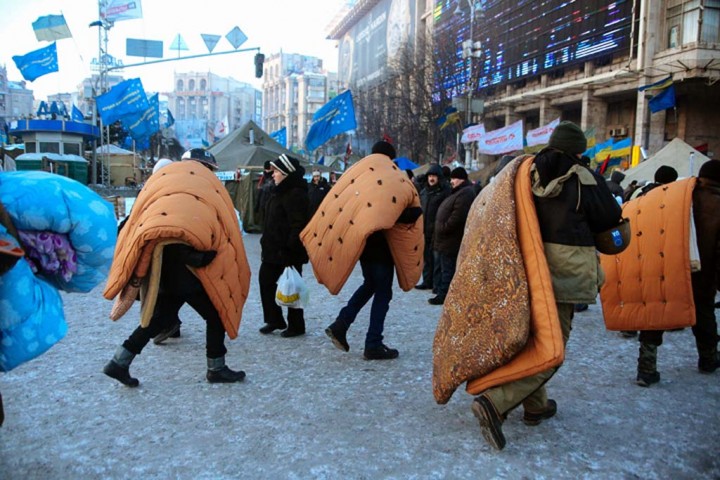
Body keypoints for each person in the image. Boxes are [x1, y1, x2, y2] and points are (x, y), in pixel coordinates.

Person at [471, 121, 622, 450]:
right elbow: (611, 223)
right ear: (578, 150)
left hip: (525, 266)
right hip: (565, 274)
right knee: (553, 349)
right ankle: (495, 403)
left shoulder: (524, 174)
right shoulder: (585, 179)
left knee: (532, 340)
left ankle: (535, 406)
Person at [103, 148, 249, 386]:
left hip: (165, 272)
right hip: (185, 273)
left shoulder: (165, 188)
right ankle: (216, 367)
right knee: (216, 315)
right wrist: (197, 257)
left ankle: (119, 362)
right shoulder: (190, 191)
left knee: (160, 319)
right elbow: (177, 230)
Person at [324, 141, 423, 360]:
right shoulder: (388, 180)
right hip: (382, 248)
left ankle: (341, 324)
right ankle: (373, 343)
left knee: (370, 284)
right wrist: (413, 214)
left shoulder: (362, 178)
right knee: (383, 292)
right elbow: (389, 213)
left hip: (364, 247)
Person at [635, 160, 720, 386]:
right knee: (704, 315)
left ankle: (646, 368)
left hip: (665, 266)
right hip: (702, 273)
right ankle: (708, 358)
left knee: (657, 312)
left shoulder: (674, 198)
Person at [258, 154, 310, 337]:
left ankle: (296, 325)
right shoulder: (278, 190)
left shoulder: (295, 193)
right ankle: (275, 319)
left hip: (288, 251)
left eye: (277, 171)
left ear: (287, 173)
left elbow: (298, 224)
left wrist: (289, 247)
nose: (273, 174)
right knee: (266, 281)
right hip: (274, 250)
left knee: (292, 285)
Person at [429, 167, 476, 305]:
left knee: (448, 270)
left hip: (451, 239)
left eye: (454, 179)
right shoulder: (459, 192)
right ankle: (444, 293)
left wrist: (443, 228)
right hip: (446, 239)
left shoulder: (465, 194)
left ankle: (445, 295)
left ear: (461, 179)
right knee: (445, 268)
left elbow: (457, 217)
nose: (452, 181)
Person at [415, 164, 450, 292]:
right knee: (426, 258)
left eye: (434, 176)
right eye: (430, 176)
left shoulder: (444, 192)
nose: (431, 178)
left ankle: (437, 284)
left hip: (437, 230)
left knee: (437, 260)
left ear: (438, 177)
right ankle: (426, 281)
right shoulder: (424, 192)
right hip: (425, 230)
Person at [255, 160, 275, 228]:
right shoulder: (265, 176)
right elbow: (260, 190)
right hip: (264, 201)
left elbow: (260, 190)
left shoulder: (271, 176)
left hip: (268, 201)